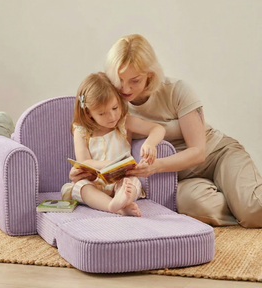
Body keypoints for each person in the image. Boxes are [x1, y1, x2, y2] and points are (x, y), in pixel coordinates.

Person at [70, 34, 262, 228]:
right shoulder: (114, 106)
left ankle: (244, 202)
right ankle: (237, 200)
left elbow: (198, 152)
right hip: (180, 175)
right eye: (119, 79)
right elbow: (94, 136)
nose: (125, 88)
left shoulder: (177, 91)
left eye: (135, 80)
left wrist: (155, 166)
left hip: (217, 154)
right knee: (194, 207)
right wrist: (85, 171)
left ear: (149, 75)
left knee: (253, 210)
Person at [61, 72, 165, 217]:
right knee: (81, 187)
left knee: (132, 182)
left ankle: (122, 199)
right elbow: (84, 161)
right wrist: (109, 164)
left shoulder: (124, 123)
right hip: (95, 184)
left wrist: (150, 144)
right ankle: (115, 207)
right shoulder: (81, 131)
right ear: (89, 113)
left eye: (115, 108)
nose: (112, 117)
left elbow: (158, 128)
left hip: (121, 181)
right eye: (102, 114)